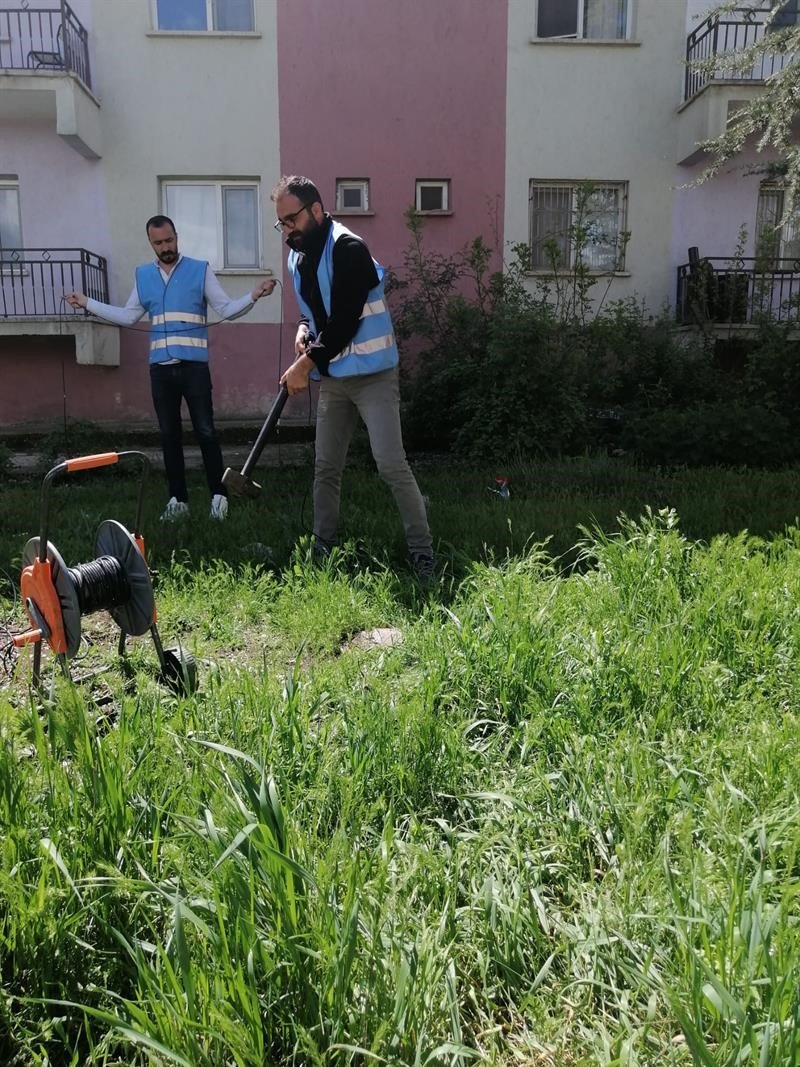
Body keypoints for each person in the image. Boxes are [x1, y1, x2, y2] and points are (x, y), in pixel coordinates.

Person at [272, 175, 434, 580]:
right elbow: (316, 312)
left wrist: (305, 364)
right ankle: (323, 546)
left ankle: (423, 552)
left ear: (315, 210)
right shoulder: (299, 255)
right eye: (281, 224)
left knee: (390, 465)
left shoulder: (348, 248)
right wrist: (302, 329)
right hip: (336, 377)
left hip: (374, 376)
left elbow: (344, 320)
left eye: (291, 220)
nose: (287, 230)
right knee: (325, 466)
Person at [65, 215, 276, 521]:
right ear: (151, 243)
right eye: (159, 243)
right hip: (161, 371)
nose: (166, 247)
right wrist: (87, 303)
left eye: (170, 240)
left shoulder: (199, 270)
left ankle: (219, 496)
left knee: (206, 431)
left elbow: (227, 310)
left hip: (194, 369)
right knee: (168, 435)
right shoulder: (143, 276)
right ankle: (178, 501)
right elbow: (127, 316)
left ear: (177, 236)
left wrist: (253, 295)